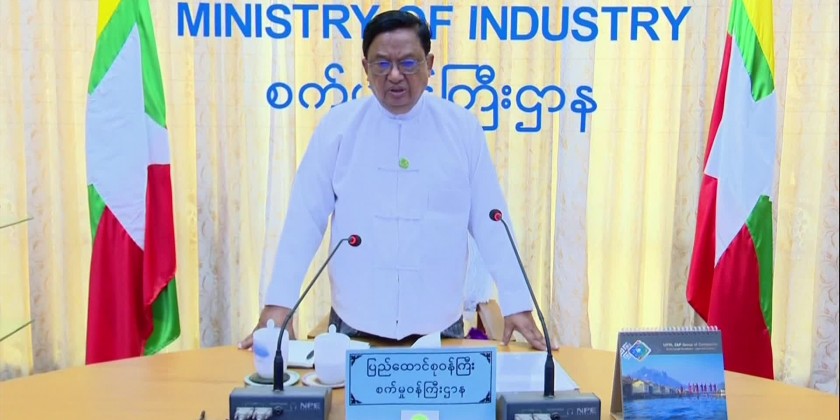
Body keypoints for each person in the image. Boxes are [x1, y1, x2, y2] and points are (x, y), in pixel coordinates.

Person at [239, 10, 553, 351]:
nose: (394, 76)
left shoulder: (461, 129)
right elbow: (304, 219)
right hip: (355, 321)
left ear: (429, 64)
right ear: (365, 68)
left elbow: (492, 220)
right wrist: (280, 303)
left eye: (408, 63)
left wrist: (517, 301)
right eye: (382, 64)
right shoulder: (338, 127)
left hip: (438, 324)